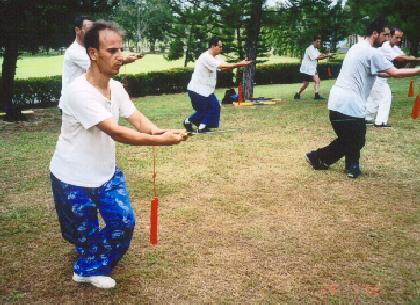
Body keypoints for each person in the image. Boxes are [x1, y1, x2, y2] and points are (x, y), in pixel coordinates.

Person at [50, 21, 187, 289]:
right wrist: (160, 143)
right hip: (72, 177)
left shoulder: (116, 88)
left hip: (105, 172)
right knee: (83, 235)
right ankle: (87, 267)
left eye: (120, 50)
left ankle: (91, 261)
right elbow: (117, 132)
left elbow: (136, 119)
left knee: (123, 222)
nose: (120, 57)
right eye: (112, 51)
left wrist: (159, 132)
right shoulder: (78, 91)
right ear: (92, 53)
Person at [305, 19, 420, 179]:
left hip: (336, 103)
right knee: (356, 140)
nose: (387, 39)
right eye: (385, 35)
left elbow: (378, 71)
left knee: (350, 138)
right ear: (374, 34)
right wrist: (418, 70)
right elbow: (394, 72)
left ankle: (350, 166)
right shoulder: (373, 52)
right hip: (350, 105)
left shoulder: (356, 48)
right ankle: (318, 156)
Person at [61, 16, 140, 104]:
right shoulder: (74, 51)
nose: (91, 32)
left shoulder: (89, 49)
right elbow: (98, 65)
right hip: (73, 100)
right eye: (88, 29)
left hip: (85, 96)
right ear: (77, 30)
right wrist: (125, 59)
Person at [183, 37, 252, 133]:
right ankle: (191, 122)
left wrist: (238, 65)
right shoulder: (205, 57)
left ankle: (200, 126)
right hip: (197, 90)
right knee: (205, 110)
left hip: (207, 90)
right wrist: (239, 64)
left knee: (215, 106)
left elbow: (222, 67)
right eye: (219, 46)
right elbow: (220, 66)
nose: (221, 48)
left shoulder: (215, 57)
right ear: (213, 46)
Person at [366, 27, 420, 128]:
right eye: (397, 37)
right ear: (390, 36)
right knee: (386, 97)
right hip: (377, 75)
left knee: (375, 98)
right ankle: (380, 122)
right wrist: (415, 58)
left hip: (381, 76)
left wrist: (414, 58)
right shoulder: (385, 46)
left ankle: (367, 118)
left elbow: (403, 56)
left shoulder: (394, 47)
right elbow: (400, 58)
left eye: (400, 38)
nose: (399, 40)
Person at [294, 35, 333, 100]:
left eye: (319, 42)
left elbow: (320, 55)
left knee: (317, 81)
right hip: (306, 69)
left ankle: (316, 95)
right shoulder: (310, 49)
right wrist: (327, 55)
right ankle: (297, 94)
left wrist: (327, 55)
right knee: (306, 84)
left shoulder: (315, 49)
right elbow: (317, 57)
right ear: (314, 42)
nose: (319, 43)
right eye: (317, 42)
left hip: (312, 69)